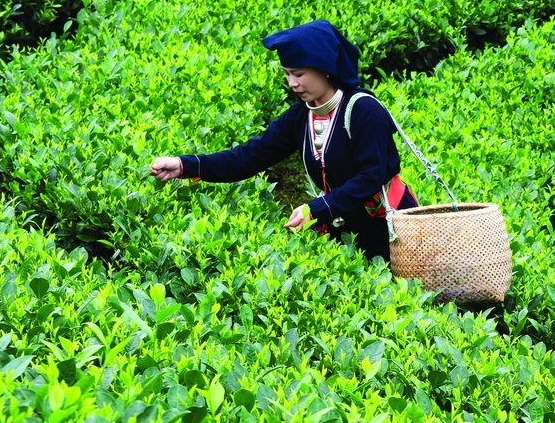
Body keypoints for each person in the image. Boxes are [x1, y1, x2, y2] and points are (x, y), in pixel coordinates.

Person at [148, 19, 416, 261]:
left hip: (389, 229)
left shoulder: (363, 110)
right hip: (343, 231)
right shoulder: (302, 116)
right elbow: (250, 157)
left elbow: (371, 175)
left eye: (299, 74)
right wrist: (185, 166)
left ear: (325, 68)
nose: (292, 83)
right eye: (287, 74)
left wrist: (317, 207)